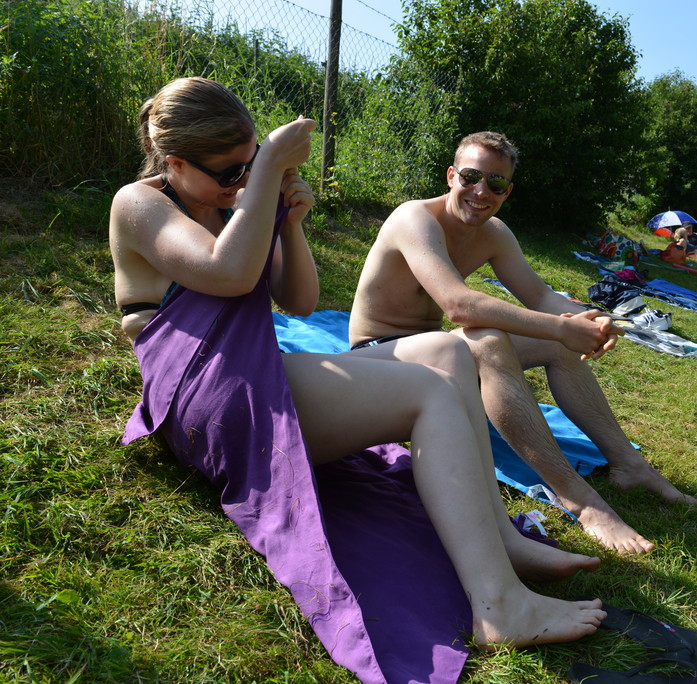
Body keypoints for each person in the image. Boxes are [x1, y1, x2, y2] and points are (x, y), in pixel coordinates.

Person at [109, 79, 606, 678]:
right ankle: (499, 606)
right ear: (174, 163)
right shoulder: (138, 203)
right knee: (427, 393)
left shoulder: (228, 202)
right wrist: (266, 174)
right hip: (207, 399)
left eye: (250, 162)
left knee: (446, 353)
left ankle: (499, 538)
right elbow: (229, 273)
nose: (241, 180)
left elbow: (298, 301)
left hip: (250, 374)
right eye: (230, 171)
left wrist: (290, 224)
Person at [348, 131, 697, 556]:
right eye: (471, 176)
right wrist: (557, 327)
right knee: (488, 340)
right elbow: (458, 305)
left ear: (507, 191)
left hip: (435, 353)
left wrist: (589, 319)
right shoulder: (415, 219)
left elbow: (541, 297)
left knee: (557, 344)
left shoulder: (494, 233)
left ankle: (629, 465)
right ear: (451, 175)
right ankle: (580, 500)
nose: (481, 191)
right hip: (379, 359)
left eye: (495, 183)